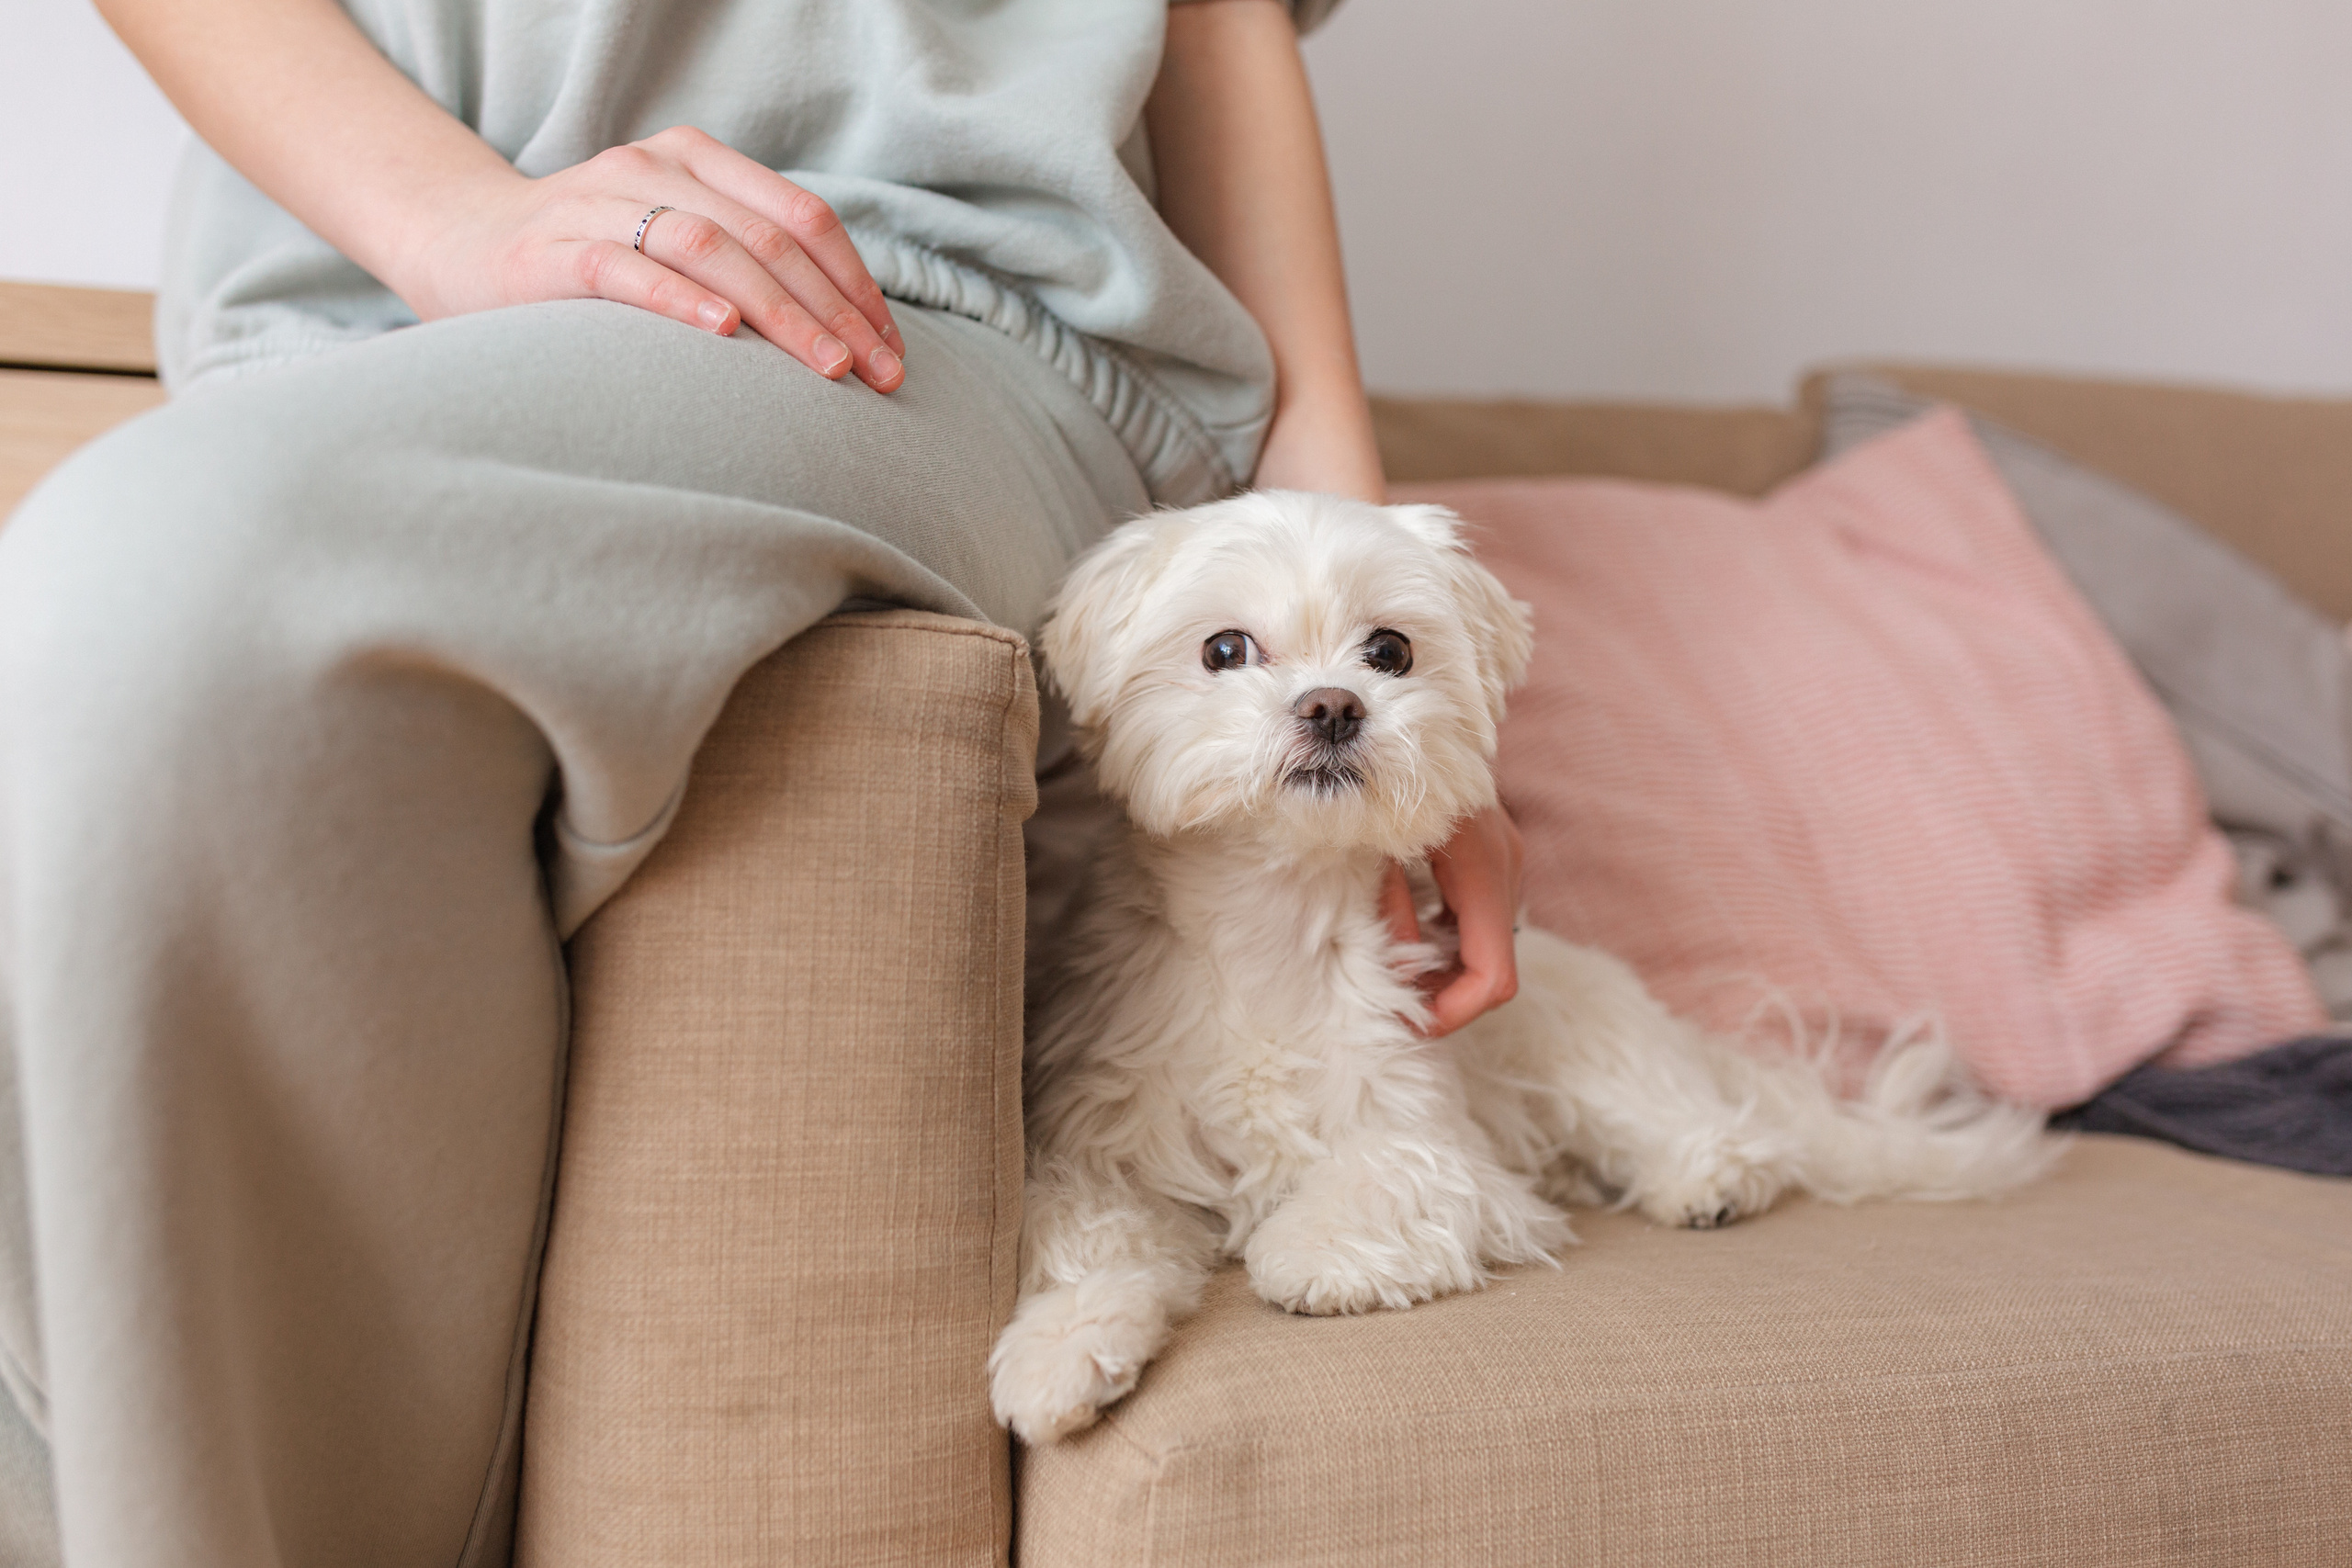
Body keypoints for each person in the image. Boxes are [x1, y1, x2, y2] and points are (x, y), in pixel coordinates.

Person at [0, 1, 1525, 1562]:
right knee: (111, 654)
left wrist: (1385, 636)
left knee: (149, 579)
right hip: (352, 308)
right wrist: (444, 211)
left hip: (915, 305)